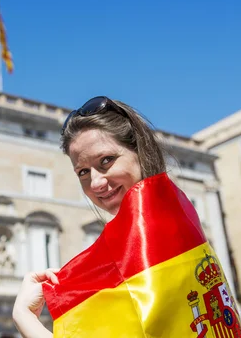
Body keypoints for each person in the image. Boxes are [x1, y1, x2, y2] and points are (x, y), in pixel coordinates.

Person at [12, 96, 167, 338]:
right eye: (83, 172)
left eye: (106, 160)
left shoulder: (150, 246)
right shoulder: (175, 225)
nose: (95, 183)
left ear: (139, 151)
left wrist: (23, 316)